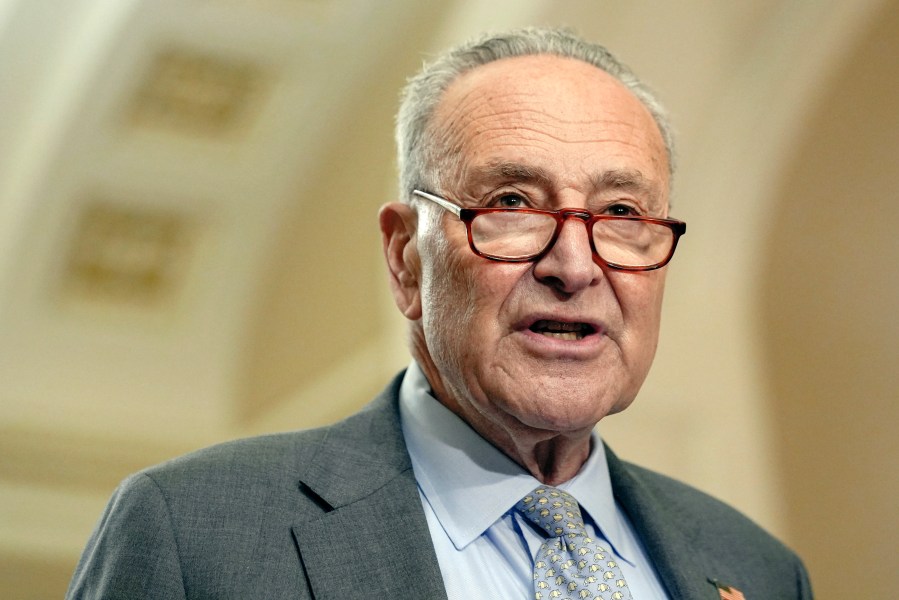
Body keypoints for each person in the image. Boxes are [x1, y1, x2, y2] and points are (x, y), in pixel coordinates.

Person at [66, 27, 812, 599]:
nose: (575, 265)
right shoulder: (193, 532)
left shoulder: (755, 567)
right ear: (404, 258)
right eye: (512, 203)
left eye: (620, 212)